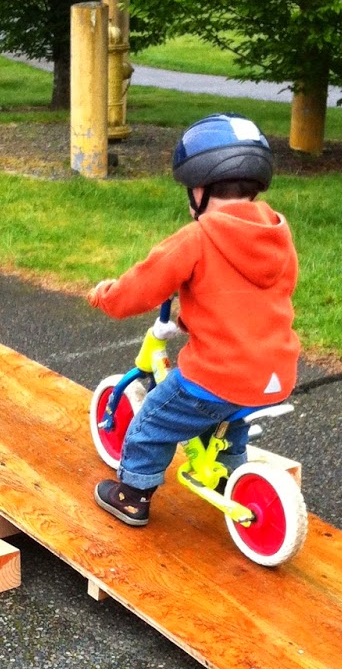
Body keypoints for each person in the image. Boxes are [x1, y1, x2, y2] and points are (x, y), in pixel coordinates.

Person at [88, 113, 300, 527]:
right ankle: (230, 475)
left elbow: (142, 287)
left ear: (199, 189)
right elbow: (263, 294)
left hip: (219, 375)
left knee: (152, 421)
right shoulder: (276, 232)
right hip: (275, 374)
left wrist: (107, 296)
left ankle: (133, 494)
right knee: (229, 415)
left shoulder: (198, 237)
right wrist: (193, 319)